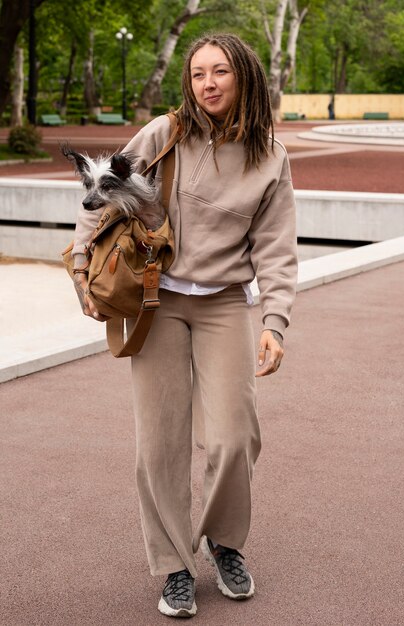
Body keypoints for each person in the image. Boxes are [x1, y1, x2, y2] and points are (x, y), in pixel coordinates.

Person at [71, 33, 298, 619]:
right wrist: (80, 270)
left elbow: (276, 248)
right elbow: (98, 196)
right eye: (198, 74)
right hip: (155, 300)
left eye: (221, 71)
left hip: (224, 303)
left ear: (244, 75)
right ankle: (173, 564)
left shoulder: (269, 156)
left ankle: (224, 541)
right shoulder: (163, 134)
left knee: (233, 437)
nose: (209, 83)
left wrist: (275, 320)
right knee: (160, 443)